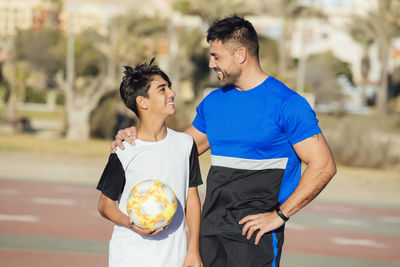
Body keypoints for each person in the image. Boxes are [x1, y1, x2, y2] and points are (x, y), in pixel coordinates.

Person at [112, 16, 336, 267]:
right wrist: (136, 137)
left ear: (241, 54)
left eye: (216, 56)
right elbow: (181, 149)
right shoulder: (214, 102)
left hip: (255, 238)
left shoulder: (288, 104)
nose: (210, 64)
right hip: (210, 232)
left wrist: (280, 215)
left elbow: (323, 166)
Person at [97, 59, 203, 267]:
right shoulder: (124, 150)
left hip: (174, 258)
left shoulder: (184, 144)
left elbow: (192, 199)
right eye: (162, 90)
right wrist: (131, 223)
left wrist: (193, 250)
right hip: (129, 257)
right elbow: (104, 205)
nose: (171, 93)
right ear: (142, 102)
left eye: (169, 88)